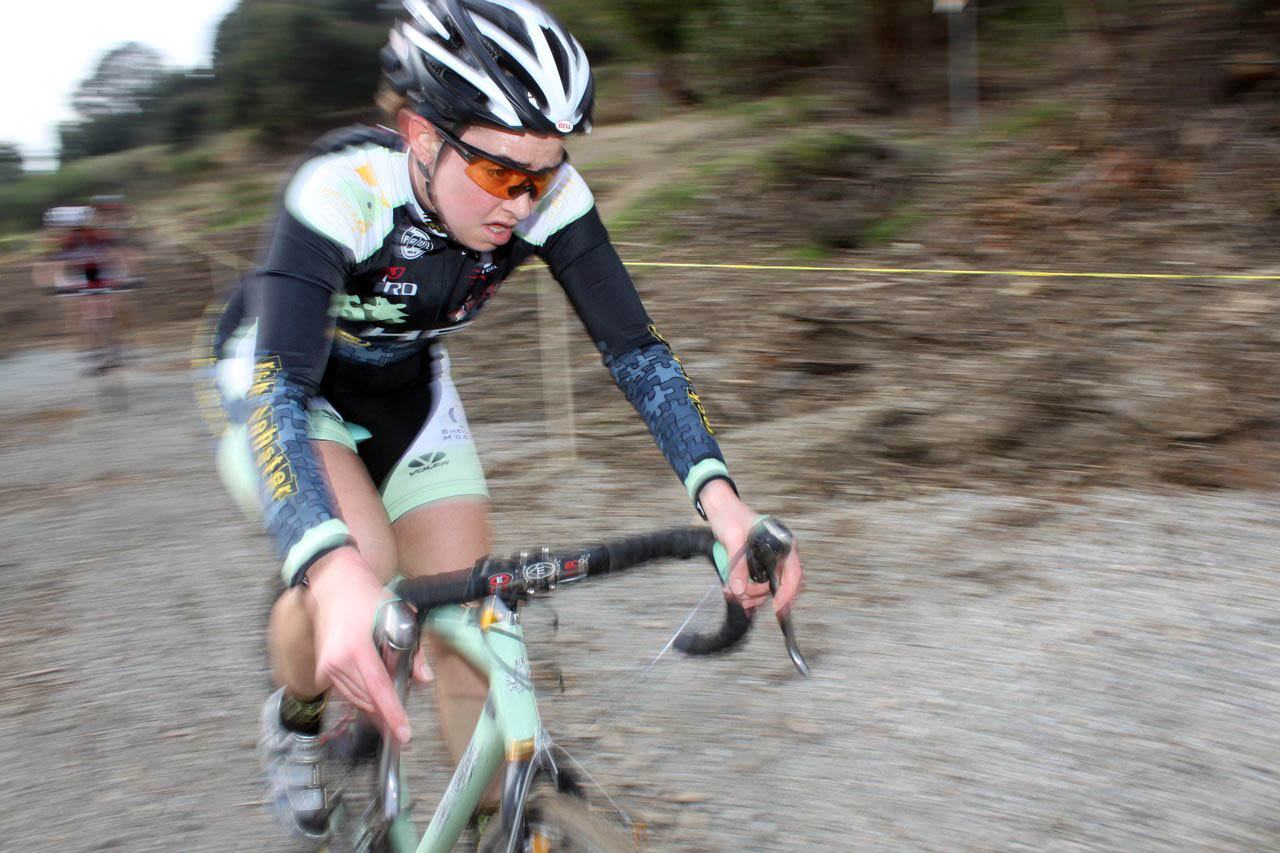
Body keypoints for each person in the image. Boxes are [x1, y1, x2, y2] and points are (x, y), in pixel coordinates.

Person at [205, 0, 804, 843]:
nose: (522, 204)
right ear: (420, 134)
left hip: (409, 391)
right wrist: (332, 569)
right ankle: (297, 719)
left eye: (544, 173)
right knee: (359, 562)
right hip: (291, 387)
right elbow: (280, 393)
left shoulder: (538, 189)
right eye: (498, 174)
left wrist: (725, 504)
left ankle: (490, 820)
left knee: (475, 625)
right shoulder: (341, 191)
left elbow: (637, 350)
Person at [36, 204, 129, 372]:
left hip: (100, 274)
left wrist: (119, 279)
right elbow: (55, 264)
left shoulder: (99, 236)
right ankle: (97, 352)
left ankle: (113, 349)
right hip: (81, 277)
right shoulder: (65, 241)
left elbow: (117, 256)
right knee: (88, 317)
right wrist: (53, 284)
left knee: (106, 313)